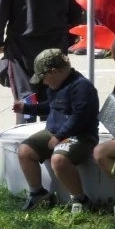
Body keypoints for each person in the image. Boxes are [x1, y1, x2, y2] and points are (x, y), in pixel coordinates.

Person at [12, 48, 99, 212]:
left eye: (44, 77)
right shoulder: (56, 85)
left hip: (80, 135)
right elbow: (51, 107)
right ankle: (37, 192)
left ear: (53, 72)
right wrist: (27, 108)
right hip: (54, 132)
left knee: (59, 160)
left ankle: (80, 199)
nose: (43, 82)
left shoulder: (82, 87)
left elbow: (79, 118)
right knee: (24, 151)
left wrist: (59, 137)